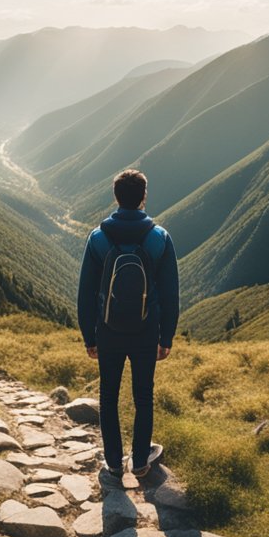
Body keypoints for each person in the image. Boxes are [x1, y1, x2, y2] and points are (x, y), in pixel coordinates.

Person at [77, 169, 178, 478]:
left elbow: (86, 291)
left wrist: (88, 335)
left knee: (108, 397)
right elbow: (171, 292)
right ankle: (140, 461)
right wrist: (167, 336)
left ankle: (113, 461)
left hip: (107, 331)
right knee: (143, 396)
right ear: (143, 197)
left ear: (116, 197)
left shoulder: (98, 238)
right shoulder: (159, 238)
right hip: (146, 331)